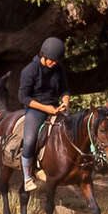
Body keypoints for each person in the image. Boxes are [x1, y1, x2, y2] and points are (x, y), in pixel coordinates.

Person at [18, 38, 69, 194]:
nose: (54, 63)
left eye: (57, 61)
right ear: (43, 55)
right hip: (36, 109)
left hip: (55, 107)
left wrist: (65, 102)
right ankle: (27, 177)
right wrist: (45, 108)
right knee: (30, 140)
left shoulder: (59, 68)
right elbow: (23, 97)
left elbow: (65, 90)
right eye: (52, 60)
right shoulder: (29, 70)